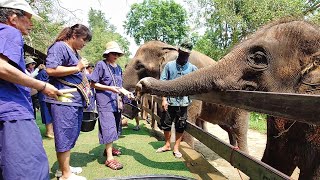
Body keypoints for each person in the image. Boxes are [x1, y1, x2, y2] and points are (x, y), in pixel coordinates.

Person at [0, 0, 62, 179]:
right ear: (13, 18)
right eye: (27, 18)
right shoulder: (10, 32)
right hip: (14, 114)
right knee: (29, 170)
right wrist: (42, 86)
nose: (31, 23)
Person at [45, 24, 92, 180]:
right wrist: (77, 68)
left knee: (71, 133)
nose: (84, 44)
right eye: (83, 40)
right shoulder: (59, 47)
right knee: (64, 134)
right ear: (74, 36)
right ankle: (65, 175)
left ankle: (63, 169)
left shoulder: (74, 52)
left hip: (74, 100)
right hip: (64, 99)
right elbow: (50, 69)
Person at [90, 41, 134, 170]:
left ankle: (108, 149)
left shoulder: (119, 68)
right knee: (108, 127)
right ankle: (109, 159)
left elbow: (119, 87)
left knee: (114, 127)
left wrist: (126, 93)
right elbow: (93, 84)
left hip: (116, 103)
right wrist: (109, 89)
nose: (116, 56)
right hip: (105, 103)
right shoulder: (101, 65)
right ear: (107, 54)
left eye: (117, 54)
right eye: (113, 53)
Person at [156, 41, 198, 158]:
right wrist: (164, 99)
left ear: (189, 55)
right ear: (179, 51)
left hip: (183, 103)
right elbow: (163, 83)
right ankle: (167, 144)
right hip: (170, 102)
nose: (184, 55)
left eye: (187, 54)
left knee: (181, 125)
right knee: (166, 124)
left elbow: (198, 84)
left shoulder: (193, 69)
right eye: (183, 53)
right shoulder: (169, 66)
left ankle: (176, 147)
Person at [35, 65, 54, 139]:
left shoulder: (47, 72)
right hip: (44, 96)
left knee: (49, 113)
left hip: (48, 96)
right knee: (47, 114)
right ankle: (49, 132)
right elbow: (41, 85)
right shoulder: (43, 73)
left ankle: (50, 131)